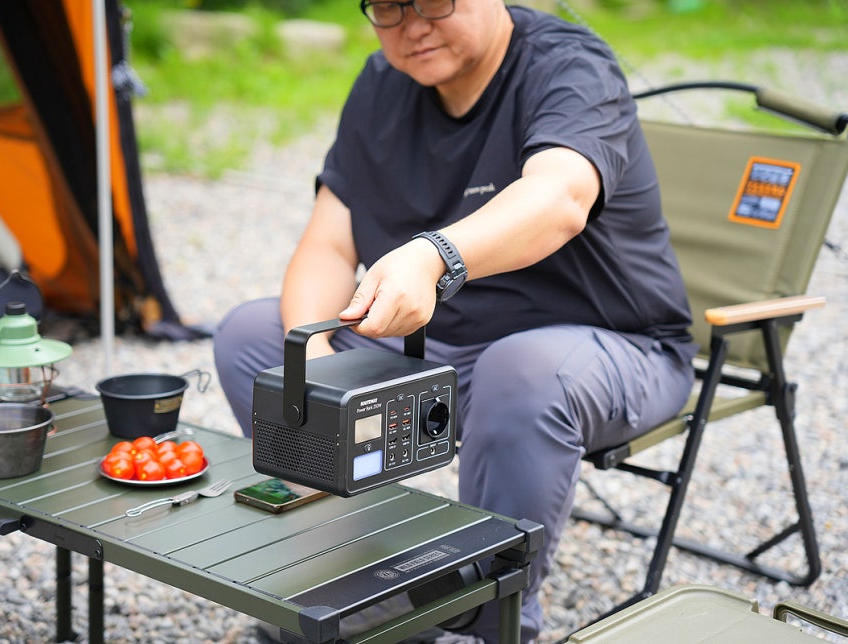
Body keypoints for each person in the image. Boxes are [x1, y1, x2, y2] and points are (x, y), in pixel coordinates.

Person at [213, 0, 697, 641]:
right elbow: (330, 244)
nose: (412, 25)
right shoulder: (383, 85)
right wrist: (319, 367)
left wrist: (435, 256)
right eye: (388, 7)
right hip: (442, 351)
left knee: (522, 372)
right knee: (256, 337)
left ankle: (491, 617)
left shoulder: (569, 66)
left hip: (608, 349)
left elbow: (561, 198)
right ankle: (374, 575)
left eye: (434, 0)